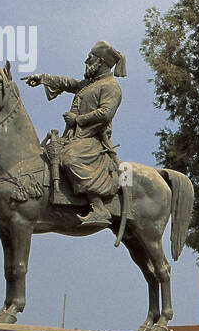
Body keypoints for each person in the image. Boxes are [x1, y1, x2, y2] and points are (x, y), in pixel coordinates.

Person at [25, 41, 125, 226]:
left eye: (90, 58)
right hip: (75, 137)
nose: (86, 61)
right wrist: (43, 78)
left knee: (70, 158)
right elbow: (69, 83)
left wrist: (77, 120)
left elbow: (106, 113)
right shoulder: (89, 84)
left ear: (101, 62)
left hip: (94, 138)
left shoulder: (111, 86)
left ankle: (99, 208)